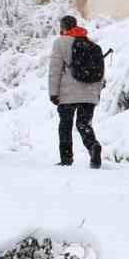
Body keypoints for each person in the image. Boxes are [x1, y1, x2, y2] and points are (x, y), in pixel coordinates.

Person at [48, 15, 105, 168]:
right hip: (90, 92)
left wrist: (53, 92)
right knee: (83, 123)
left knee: (65, 125)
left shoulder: (60, 43)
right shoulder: (92, 45)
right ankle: (93, 146)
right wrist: (97, 93)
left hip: (68, 94)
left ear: (63, 28)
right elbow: (100, 72)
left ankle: (66, 159)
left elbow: (55, 70)